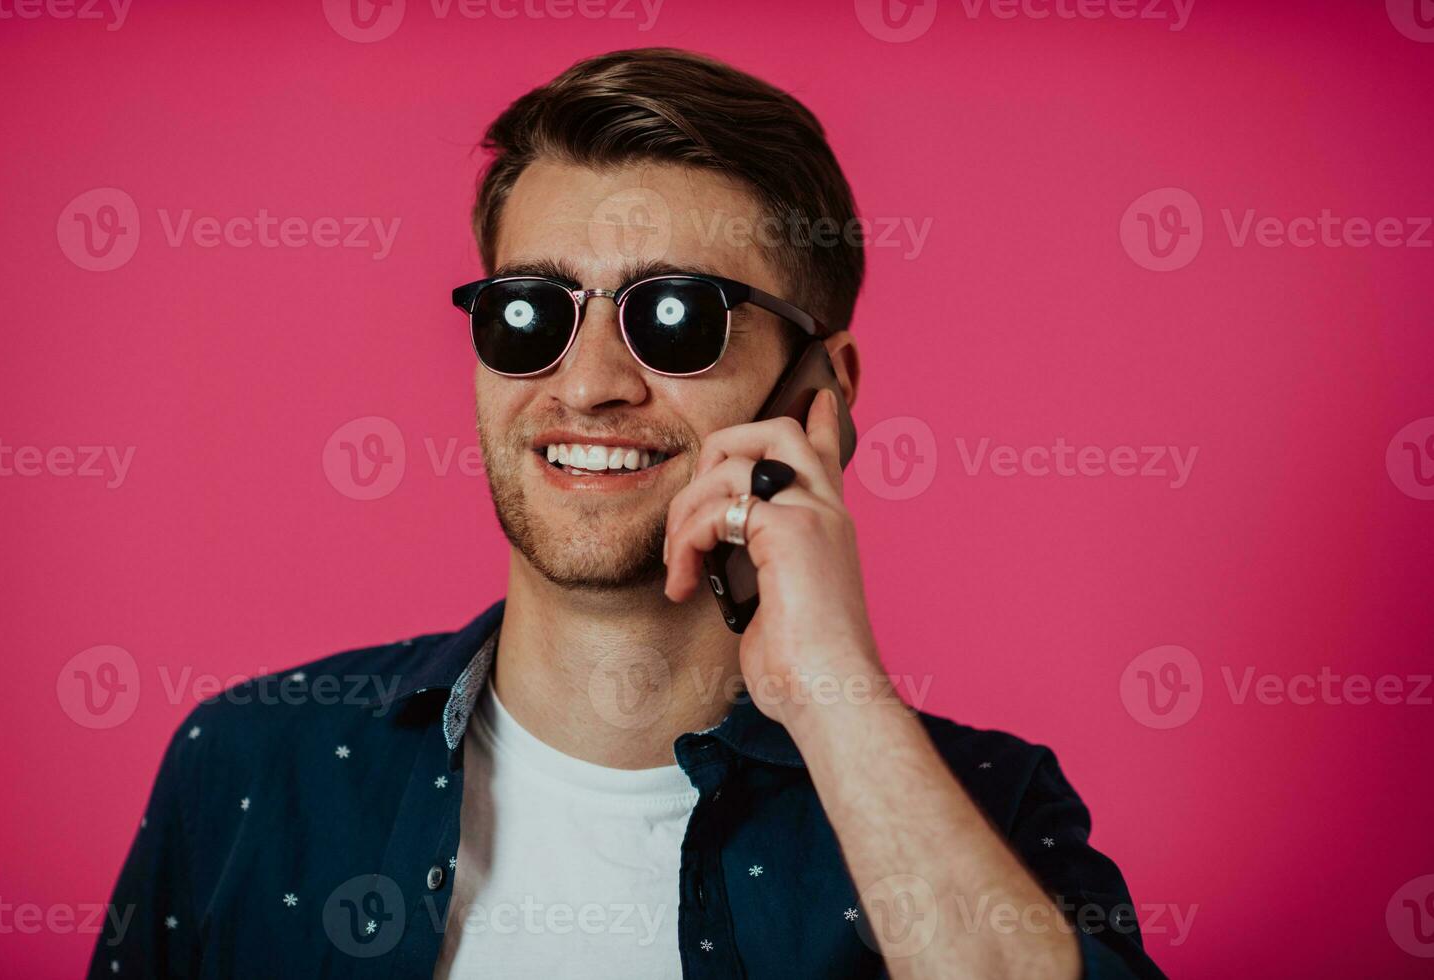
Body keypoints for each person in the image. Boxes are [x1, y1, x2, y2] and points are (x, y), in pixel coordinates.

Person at [89, 47, 1166, 980]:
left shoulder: (987, 806)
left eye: (676, 314)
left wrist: (834, 696)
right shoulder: (248, 770)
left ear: (818, 392)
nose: (589, 381)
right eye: (529, 312)